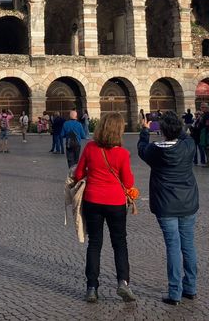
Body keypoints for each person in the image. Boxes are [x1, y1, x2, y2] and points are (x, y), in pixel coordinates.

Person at [73, 112, 136, 303]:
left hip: (93, 200)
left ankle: (92, 287)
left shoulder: (91, 147)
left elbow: (77, 173)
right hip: (116, 202)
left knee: (95, 244)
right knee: (119, 243)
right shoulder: (123, 154)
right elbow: (128, 181)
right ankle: (123, 283)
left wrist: (89, 175)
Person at [137, 111, 198, 306]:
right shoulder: (188, 146)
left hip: (166, 205)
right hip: (188, 202)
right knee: (188, 245)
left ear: (161, 130)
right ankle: (191, 287)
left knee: (173, 246)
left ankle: (175, 292)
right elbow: (185, 136)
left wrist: (144, 131)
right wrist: (175, 124)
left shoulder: (155, 150)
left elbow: (141, 149)